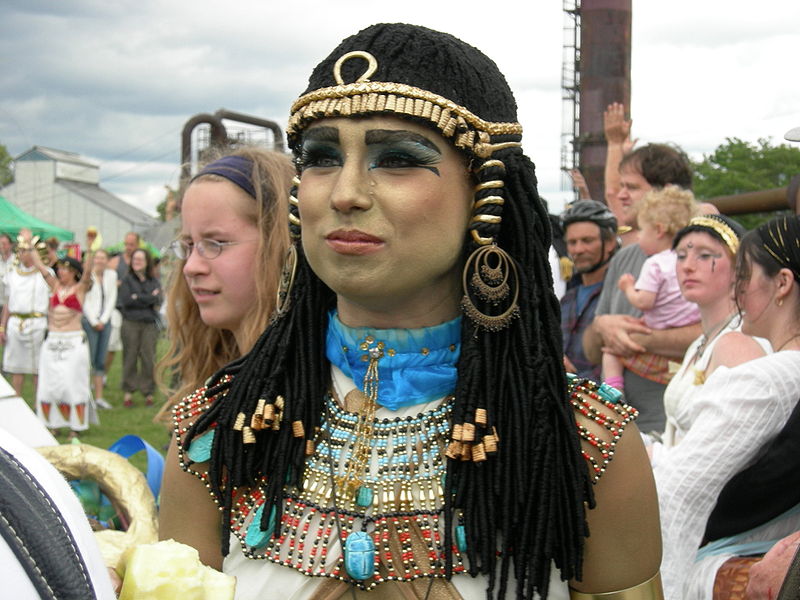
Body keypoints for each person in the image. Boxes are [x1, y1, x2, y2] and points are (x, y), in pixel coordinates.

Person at [160, 23, 662, 600]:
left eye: (396, 158)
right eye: (321, 158)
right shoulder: (219, 431)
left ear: (486, 192)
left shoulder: (585, 443)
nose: (345, 192)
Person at [654, 214, 800, 599]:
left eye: (745, 276)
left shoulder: (767, 378)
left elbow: (680, 490)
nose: (739, 291)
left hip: (721, 552)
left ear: (782, 283)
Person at [155, 147, 291, 422]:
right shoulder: (211, 394)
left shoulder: (321, 398)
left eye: (216, 243)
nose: (191, 267)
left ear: (280, 245)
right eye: (189, 245)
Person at [582, 141, 698, 432]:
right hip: (622, 430)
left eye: (631, 187)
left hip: (680, 427)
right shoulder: (624, 258)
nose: (620, 195)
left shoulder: (705, 253)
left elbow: (725, 336)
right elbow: (592, 352)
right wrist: (601, 328)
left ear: (666, 193)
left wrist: (636, 339)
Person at [650, 214, 768, 455]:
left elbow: (736, 449)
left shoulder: (739, 343)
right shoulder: (699, 344)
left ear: (739, 269)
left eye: (704, 256)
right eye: (681, 256)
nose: (687, 265)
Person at [603, 186, 700, 391]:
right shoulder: (688, 260)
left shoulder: (654, 263)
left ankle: (613, 392)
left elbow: (644, 301)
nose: (638, 238)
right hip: (688, 325)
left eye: (641, 230)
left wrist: (628, 287)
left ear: (658, 230)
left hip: (660, 327)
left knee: (610, 351)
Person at [29, 234, 97, 439]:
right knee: (50, 383)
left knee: (72, 383)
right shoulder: (55, 286)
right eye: (59, 268)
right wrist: (31, 245)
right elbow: (41, 268)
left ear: (73, 272)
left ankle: (74, 426)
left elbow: (87, 274)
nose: (60, 271)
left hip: (73, 341)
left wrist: (91, 249)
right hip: (53, 341)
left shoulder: (80, 289)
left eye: (65, 269)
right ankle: (52, 424)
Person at [559, 200, 619, 380]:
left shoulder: (619, 296)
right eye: (572, 242)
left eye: (587, 241)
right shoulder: (567, 300)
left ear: (609, 243)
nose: (578, 249)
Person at [0, 232, 50, 396]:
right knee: (16, 368)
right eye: (20, 251)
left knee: (38, 369)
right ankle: (17, 401)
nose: (21, 254)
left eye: (26, 250)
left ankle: (38, 404)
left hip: (37, 324)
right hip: (16, 323)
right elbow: (8, 303)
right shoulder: (12, 274)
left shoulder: (45, 274)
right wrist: (2, 326)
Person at [118, 247, 161, 407]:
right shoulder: (127, 280)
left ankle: (148, 392)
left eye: (140, 259)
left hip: (149, 324)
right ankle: (128, 392)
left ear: (147, 262)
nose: (137, 262)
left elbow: (158, 300)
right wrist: (148, 298)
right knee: (130, 356)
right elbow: (127, 301)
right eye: (135, 259)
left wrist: (139, 297)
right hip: (131, 323)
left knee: (148, 357)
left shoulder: (153, 280)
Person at [82, 247, 117, 409]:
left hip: (105, 320)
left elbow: (111, 299)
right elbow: (85, 300)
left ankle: (99, 397)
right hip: (90, 321)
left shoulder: (111, 275)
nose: (100, 261)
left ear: (107, 260)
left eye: (103, 258)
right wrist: (94, 321)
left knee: (100, 359)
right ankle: (85, 394)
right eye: (98, 258)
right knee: (89, 358)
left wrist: (103, 319)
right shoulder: (87, 276)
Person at [106, 231, 141, 374]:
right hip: (117, 308)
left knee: (132, 348)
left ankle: (129, 378)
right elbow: (105, 282)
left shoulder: (141, 261)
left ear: (137, 244)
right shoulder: (115, 261)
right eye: (126, 244)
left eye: (132, 244)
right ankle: (103, 376)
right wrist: (115, 284)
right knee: (111, 346)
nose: (128, 247)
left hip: (134, 309)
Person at [0, 233, 15, 321]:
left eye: (4, 244)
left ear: (10, 245)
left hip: (10, 305)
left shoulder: (16, 261)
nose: (1, 246)